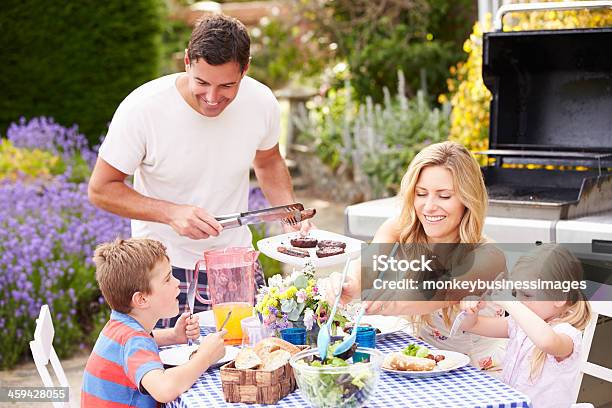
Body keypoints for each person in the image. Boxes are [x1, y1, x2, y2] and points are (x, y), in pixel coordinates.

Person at [88, 14, 310, 327]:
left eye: (227, 86)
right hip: (161, 272)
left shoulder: (261, 102)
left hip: (236, 264)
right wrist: (171, 213)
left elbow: (269, 160)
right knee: (170, 371)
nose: (212, 97)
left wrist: (288, 214)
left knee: (249, 365)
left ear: (245, 69)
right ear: (187, 62)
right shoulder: (143, 109)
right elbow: (101, 188)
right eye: (202, 82)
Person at [325, 140, 508, 372]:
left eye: (444, 196)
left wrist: (382, 303)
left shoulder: (488, 256)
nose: (429, 207)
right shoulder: (400, 229)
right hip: (422, 363)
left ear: (467, 200)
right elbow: (367, 266)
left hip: (480, 374)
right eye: (421, 193)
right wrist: (348, 284)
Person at [82, 238, 227, 407]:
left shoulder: (120, 327)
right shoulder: (134, 341)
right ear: (142, 299)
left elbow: (137, 343)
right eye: (167, 279)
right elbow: (164, 389)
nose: (177, 282)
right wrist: (205, 356)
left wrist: (173, 336)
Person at [460, 244, 591, 408]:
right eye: (516, 293)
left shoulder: (567, 335)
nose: (519, 300)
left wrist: (511, 303)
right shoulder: (519, 325)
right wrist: (471, 310)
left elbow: (546, 342)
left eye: (527, 294)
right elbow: (473, 326)